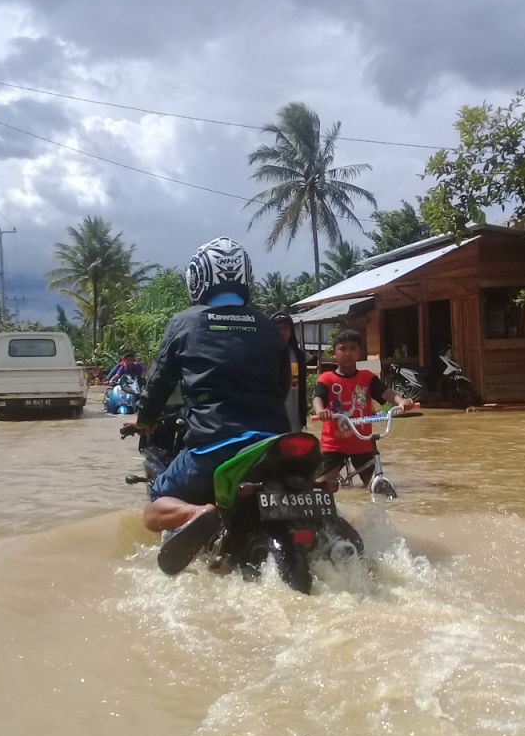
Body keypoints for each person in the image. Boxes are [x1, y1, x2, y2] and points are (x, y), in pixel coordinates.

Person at [133, 237, 291, 574]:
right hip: (273, 446)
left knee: (155, 505)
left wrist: (145, 418)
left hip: (214, 446)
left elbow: (159, 381)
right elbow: (281, 388)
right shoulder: (268, 327)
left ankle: (197, 514)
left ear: (198, 278)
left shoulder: (185, 322)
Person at [312, 329, 413, 486]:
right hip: (334, 444)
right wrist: (320, 411)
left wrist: (401, 401)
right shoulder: (327, 378)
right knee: (320, 484)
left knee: (377, 484)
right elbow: (318, 398)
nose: (347, 353)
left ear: (360, 352)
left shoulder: (367, 377)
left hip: (362, 442)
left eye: (352, 349)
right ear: (334, 352)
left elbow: (386, 393)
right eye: (343, 349)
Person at [271, 312, 308, 432]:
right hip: (273, 410)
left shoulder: (298, 355)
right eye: (278, 328)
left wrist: (303, 415)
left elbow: (300, 385)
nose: (282, 331)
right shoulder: (264, 354)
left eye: (285, 328)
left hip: (294, 409)